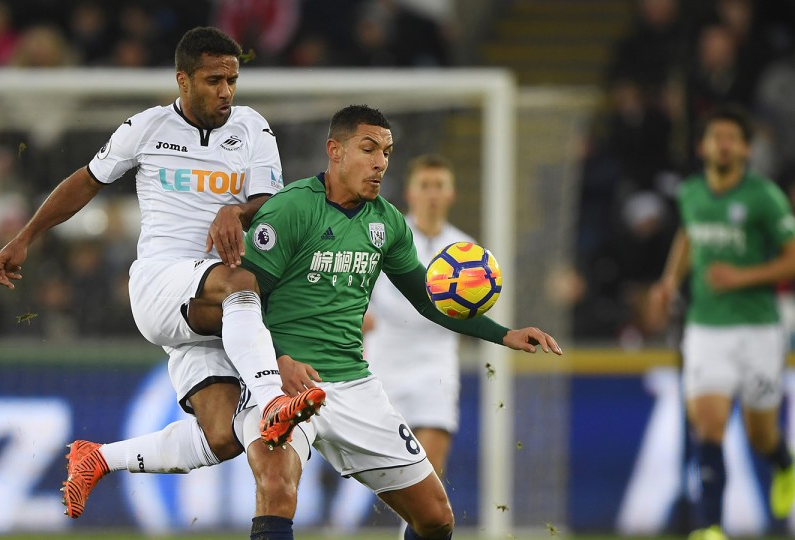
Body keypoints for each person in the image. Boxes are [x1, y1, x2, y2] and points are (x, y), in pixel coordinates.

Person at [0, 26, 324, 519]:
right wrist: (25, 237)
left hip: (221, 310)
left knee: (222, 437)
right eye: (213, 80)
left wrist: (236, 211)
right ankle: (273, 399)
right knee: (241, 282)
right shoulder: (146, 128)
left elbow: (269, 203)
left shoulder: (253, 127)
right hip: (162, 283)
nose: (226, 91)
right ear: (183, 80)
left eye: (232, 80)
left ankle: (99, 458)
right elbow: (86, 182)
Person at [230, 105, 561, 540]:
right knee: (277, 487)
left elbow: (428, 298)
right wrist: (277, 360)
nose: (380, 163)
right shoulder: (290, 208)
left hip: (354, 385)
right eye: (368, 149)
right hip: (285, 384)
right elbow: (241, 301)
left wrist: (504, 334)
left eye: (386, 152)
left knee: (436, 518)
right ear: (335, 150)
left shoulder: (386, 222)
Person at [650, 107, 795, 540]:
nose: (722, 145)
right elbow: (689, 233)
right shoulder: (691, 193)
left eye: (731, 138)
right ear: (702, 146)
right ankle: (711, 529)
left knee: (760, 434)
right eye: (715, 137)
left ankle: (783, 461)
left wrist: (742, 276)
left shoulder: (764, 196)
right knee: (708, 425)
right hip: (706, 327)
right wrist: (669, 280)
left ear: (745, 149)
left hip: (759, 330)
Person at [362, 153, 470, 480]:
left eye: (439, 185)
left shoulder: (466, 250)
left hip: (436, 368)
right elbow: (355, 288)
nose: (432, 193)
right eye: (424, 185)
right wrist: (360, 314)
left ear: (451, 194)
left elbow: (478, 309)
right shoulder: (383, 238)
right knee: (389, 476)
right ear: (410, 193)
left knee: (429, 474)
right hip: (385, 365)